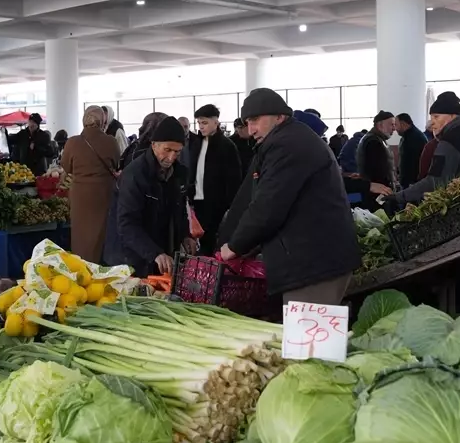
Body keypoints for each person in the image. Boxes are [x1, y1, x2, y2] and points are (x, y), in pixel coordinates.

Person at [219, 88, 359, 306]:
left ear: (279, 116)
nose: (251, 129)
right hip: (314, 260)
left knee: (306, 327)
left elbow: (267, 206)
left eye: (255, 120)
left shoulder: (287, 145)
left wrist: (234, 246)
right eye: (247, 123)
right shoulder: (287, 139)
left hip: (314, 266)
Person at [388, 91, 460, 210]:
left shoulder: (450, 140)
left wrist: (399, 196)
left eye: (436, 117)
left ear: (452, 116)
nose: (432, 122)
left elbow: (435, 182)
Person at [115, 116, 195, 276]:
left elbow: (180, 210)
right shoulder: (135, 174)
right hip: (135, 256)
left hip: (164, 252)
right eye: (167, 150)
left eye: (177, 152)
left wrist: (185, 235)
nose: (171, 157)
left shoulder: (180, 173)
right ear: (154, 145)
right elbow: (127, 223)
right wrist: (154, 253)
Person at [61, 107, 119, 262]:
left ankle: (82, 265)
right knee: (102, 232)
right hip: (104, 193)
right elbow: (116, 163)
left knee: (81, 234)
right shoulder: (111, 141)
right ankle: (102, 265)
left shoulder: (72, 142)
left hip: (80, 195)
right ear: (103, 121)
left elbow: (66, 167)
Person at [188, 104, 242, 254]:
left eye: (204, 123)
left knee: (211, 242)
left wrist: (229, 205)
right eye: (199, 123)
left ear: (216, 122)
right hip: (196, 200)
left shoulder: (227, 146)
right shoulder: (196, 144)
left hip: (216, 204)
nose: (201, 126)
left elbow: (233, 179)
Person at [358, 111, 397, 210]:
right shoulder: (373, 142)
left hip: (377, 192)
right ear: (380, 125)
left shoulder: (377, 139)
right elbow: (378, 171)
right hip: (377, 194)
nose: (394, 128)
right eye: (391, 125)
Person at [394, 113, 428, 189]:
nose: (394, 128)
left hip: (412, 183)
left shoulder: (415, 138)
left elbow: (413, 163)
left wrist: (411, 182)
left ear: (403, 124)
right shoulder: (407, 136)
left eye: (396, 125)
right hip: (408, 182)